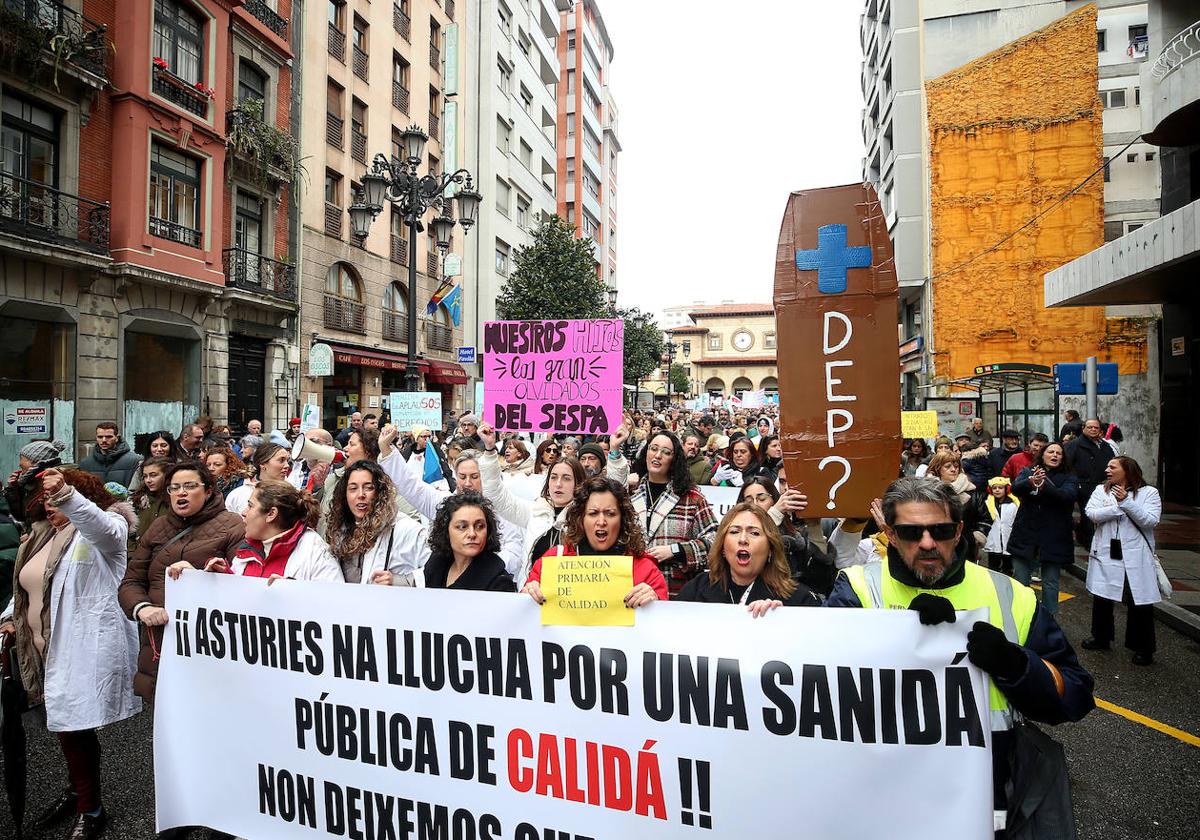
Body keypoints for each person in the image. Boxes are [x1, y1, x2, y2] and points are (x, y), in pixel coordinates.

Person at [827, 478, 1094, 830]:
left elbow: (1074, 695)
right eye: (911, 533)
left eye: (940, 530)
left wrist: (1015, 664)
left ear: (959, 531)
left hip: (986, 803)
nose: (927, 543)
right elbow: (819, 685)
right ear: (890, 535)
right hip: (883, 797)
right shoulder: (858, 589)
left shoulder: (1010, 595)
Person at [0, 468, 140, 840]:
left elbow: (100, 526)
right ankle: (78, 791)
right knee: (67, 728)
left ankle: (90, 809)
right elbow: (28, 587)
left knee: (72, 727)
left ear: (82, 496)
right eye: (46, 500)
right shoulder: (47, 535)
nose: (50, 506)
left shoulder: (107, 529)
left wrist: (66, 495)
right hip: (41, 649)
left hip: (78, 646)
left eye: (56, 500)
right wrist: (7, 619)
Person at [119, 462, 245, 700]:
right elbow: (131, 581)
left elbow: (244, 584)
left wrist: (199, 576)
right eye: (174, 488)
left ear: (208, 491)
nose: (181, 493)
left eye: (189, 486)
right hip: (159, 641)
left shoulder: (232, 525)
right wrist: (141, 608)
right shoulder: (159, 527)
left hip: (208, 644)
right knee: (165, 720)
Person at [379, 427, 524, 576]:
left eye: (474, 477)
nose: (467, 483)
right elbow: (411, 485)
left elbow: (515, 551)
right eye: (462, 477)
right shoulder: (444, 504)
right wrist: (386, 449)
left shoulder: (502, 509)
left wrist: (482, 568)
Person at [522, 477, 668, 606]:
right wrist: (528, 595)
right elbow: (524, 617)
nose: (601, 521)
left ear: (622, 520)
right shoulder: (552, 562)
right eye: (593, 513)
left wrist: (655, 603)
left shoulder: (646, 571)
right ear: (581, 519)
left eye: (610, 514)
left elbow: (661, 625)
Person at [169, 480, 342, 584]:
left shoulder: (315, 550)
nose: (243, 512)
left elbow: (333, 604)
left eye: (250, 506)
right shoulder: (247, 550)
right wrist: (205, 579)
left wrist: (295, 594)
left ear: (271, 514)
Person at [1082, 456, 1162, 665]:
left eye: (1112, 467)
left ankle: (1143, 647)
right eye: (1107, 466)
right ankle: (1101, 637)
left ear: (1127, 470)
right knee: (1102, 595)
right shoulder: (1102, 490)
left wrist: (1126, 502)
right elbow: (1091, 513)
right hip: (1107, 551)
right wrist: (1116, 508)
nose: (1107, 469)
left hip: (1136, 554)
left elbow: (1150, 521)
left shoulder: (1149, 493)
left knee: (1140, 601)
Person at [677, 502, 820, 611]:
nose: (743, 539)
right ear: (722, 547)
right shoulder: (696, 590)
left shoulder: (800, 599)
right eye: (734, 532)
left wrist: (780, 620)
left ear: (770, 548)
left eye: (754, 533)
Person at [630, 431, 717, 596]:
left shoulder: (692, 498)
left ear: (674, 459)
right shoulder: (629, 494)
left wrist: (676, 550)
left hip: (675, 593)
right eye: (653, 448)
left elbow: (716, 540)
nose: (657, 455)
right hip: (632, 590)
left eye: (666, 452)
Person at [324, 461, 428, 586]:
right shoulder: (340, 530)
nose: (361, 495)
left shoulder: (406, 529)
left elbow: (439, 570)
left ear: (380, 492)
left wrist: (401, 581)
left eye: (369, 488)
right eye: (353, 489)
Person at [1008, 442, 1079, 615]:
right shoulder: (1028, 471)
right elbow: (1015, 489)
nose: (1055, 455)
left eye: (1059, 453)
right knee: (1020, 580)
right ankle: (1022, 616)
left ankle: (1048, 621)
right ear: (1042, 454)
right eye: (1051, 452)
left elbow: (1067, 496)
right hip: (1025, 534)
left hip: (1054, 536)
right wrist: (1030, 483)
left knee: (1050, 582)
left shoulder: (1069, 477)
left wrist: (1044, 485)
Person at [739, 478, 833, 596]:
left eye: (761, 499)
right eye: (748, 501)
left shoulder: (795, 536)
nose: (755, 505)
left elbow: (820, 580)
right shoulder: (736, 537)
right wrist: (775, 513)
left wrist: (815, 527)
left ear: (774, 500)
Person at [422, 493, 516, 591]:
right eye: (462, 527)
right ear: (446, 531)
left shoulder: (499, 581)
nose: (472, 534)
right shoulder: (436, 563)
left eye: (479, 526)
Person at [1066, 419, 1111, 549]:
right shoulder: (1074, 445)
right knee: (1087, 516)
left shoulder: (1104, 445)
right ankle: (1088, 542)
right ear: (1084, 428)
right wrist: (1075, 481)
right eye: (1090, 427)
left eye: (1096, 428)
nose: (1093, 430)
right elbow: (1067, 465)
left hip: (1102, 486)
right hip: (1082, 486)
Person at [225, 442, 292, 516]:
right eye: (281, 460)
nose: (287, 465)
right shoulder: (238, 495)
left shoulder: (292, 493)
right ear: (262, 464)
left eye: (287, 460)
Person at [976, 476, 1020, 576]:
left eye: (1000, 488)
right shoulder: (986, 504)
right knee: (993, 567)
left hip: (1008, 540)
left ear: (1006, 489)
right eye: (994, 488)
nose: (997, 490)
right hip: (993, 541)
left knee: (1008, 568)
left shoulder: (1013, 505)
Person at [78, 422, 142, 488]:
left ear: (117, 438)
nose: (104, 440)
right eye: (100, 437)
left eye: (109, 437)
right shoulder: (85, 464)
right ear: (96, 438)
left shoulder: (135, 461)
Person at [129, 456, 172, 552]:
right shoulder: (138, 501)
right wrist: (131, 555)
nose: (148, 480)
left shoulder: (175, 500)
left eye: (153, 475)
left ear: (166, 475)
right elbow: (130, 534)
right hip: (139, 557)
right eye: (145, 476)